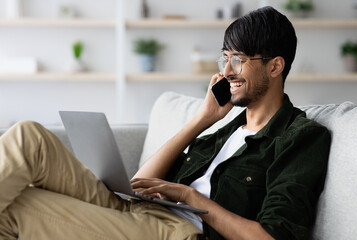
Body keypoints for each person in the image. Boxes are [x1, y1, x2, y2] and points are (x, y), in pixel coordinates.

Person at [0, 6, 330, 240]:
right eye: (224, 58)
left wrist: (189, 197)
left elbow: (270, 237)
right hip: (137, 210)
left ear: (275, 67)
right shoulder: (230, 126)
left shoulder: (301, 138)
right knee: (29, 137)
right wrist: (202, 120)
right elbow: (140, 183)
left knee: (17, 207)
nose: (227, 71)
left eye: (239, 60)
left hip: (178, 231)